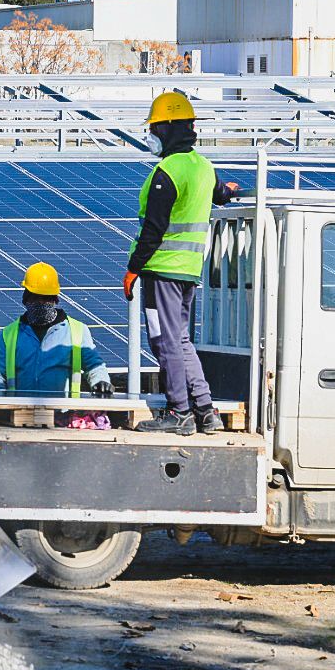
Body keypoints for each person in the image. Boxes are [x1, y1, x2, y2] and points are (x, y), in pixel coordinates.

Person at [124, 92, 239, 435]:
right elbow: (220, 192)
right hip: (189, 271)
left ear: (170, 129)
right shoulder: (203, 167)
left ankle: (179, 412)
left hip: (161, 270)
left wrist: (133, 269)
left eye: (156, 128)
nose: (152, 135)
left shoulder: (167, 171)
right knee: (181, 340)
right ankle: (205, 409)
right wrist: (229, 189)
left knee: (164, 341)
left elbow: (154, 228)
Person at [0, 262, 113, 400]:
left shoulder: (77, 331)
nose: (41, 303)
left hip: (63, 416)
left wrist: (101, 382)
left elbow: (94, 366)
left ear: (55, 299)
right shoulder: (9, 334)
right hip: (20, 414)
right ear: (25, 298)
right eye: (35, 297)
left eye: (46, 298)